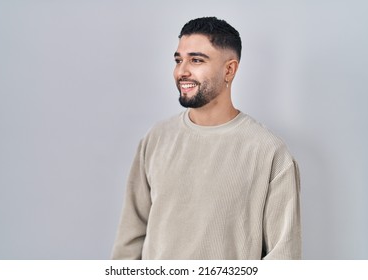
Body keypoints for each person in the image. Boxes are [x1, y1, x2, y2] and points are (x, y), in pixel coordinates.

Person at [111, 17, 301, 260]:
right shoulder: (157, 139)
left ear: (229, 70)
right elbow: (129, 239)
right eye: (179, 60)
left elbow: (283, 255)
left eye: (196, 60)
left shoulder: (268, 152)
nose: (182, 71)